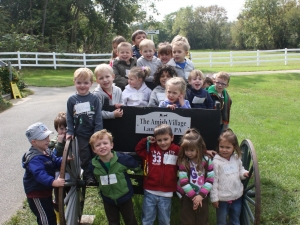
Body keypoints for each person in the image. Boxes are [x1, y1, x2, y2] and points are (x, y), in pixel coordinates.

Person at [90, 129, 140, 225]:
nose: (102, 147)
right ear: (93, 149)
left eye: (105, 143)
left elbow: (134, 164)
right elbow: (92, 175)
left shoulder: (121, 159)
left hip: (124, 196)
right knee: (112, 222)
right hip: (108, 198)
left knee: (130, 220)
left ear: (111, 145)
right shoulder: (93, 165)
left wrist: (139, 168)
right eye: (98, 145)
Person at [135, 124, 180, 225]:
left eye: (165, 139)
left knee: (164, 220)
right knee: (147, 219)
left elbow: (189, 153)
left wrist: (204, 151)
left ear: (172, 137)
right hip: (150, 191)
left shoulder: (177, 150)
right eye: (159, 140)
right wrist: (146, 140)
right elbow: (138, 150)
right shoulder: (150, 149)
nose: (163, 143)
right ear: (155, 139)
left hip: (166, 193)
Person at [22, 122, 65, 225]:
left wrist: (64, 160)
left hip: (45, 191)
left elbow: (54, 162)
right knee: (46, 218)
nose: (48, 140)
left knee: (50, 216)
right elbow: (39, 174)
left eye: (48, 136)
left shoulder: (46, 151)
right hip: (36, 194)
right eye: (43, 138)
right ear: (34, 142)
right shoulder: (34, 158)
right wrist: (53, 182)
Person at [66, 67, 103, 185]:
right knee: (85, 155)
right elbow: (69, 117)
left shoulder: (94, 99)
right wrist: (70, 131)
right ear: (74, 83)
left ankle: (100, 173)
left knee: (97, 153)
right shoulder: (72, 100)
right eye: (79, 83)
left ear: (91, 83)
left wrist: (98, 132)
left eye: (86, 83)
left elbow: (98, 116)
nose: (82, 86)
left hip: (94, 132)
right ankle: (88, 176)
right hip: (81, 133)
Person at [210, 129, 249, 225]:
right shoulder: (216, 162)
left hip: (237, 196)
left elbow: (240, 170)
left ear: (234, 148)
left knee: (235, 219)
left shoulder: (236, 158)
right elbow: (213, 181)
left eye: (228, 147)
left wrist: (244, 174)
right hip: (222, 199)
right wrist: (214, 198)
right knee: (221, 221)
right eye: (221, 147)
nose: (224, 150)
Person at [177, 128, 214, 225]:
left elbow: (210, 179)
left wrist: (200, 196)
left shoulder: (207, 160)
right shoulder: (184, 162)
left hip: (203, 195)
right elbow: (183, 182)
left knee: (202, 218)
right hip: (187, 195)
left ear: (200, 148)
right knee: (187, 219)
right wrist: (194, 197)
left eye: (192, 150)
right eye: (186, 150)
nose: (189, 153)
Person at [48, 112, 67, 224]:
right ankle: (60, 218)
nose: (64, 131)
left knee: (71, 195)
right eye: (61, 128)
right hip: (57, 175)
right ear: (56, 129)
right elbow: (53, 156)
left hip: (72, 174)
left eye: (66, 128)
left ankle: (71, 216)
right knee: (58, 198)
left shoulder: (74, 140)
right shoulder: (53, 143)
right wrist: (59, 143)